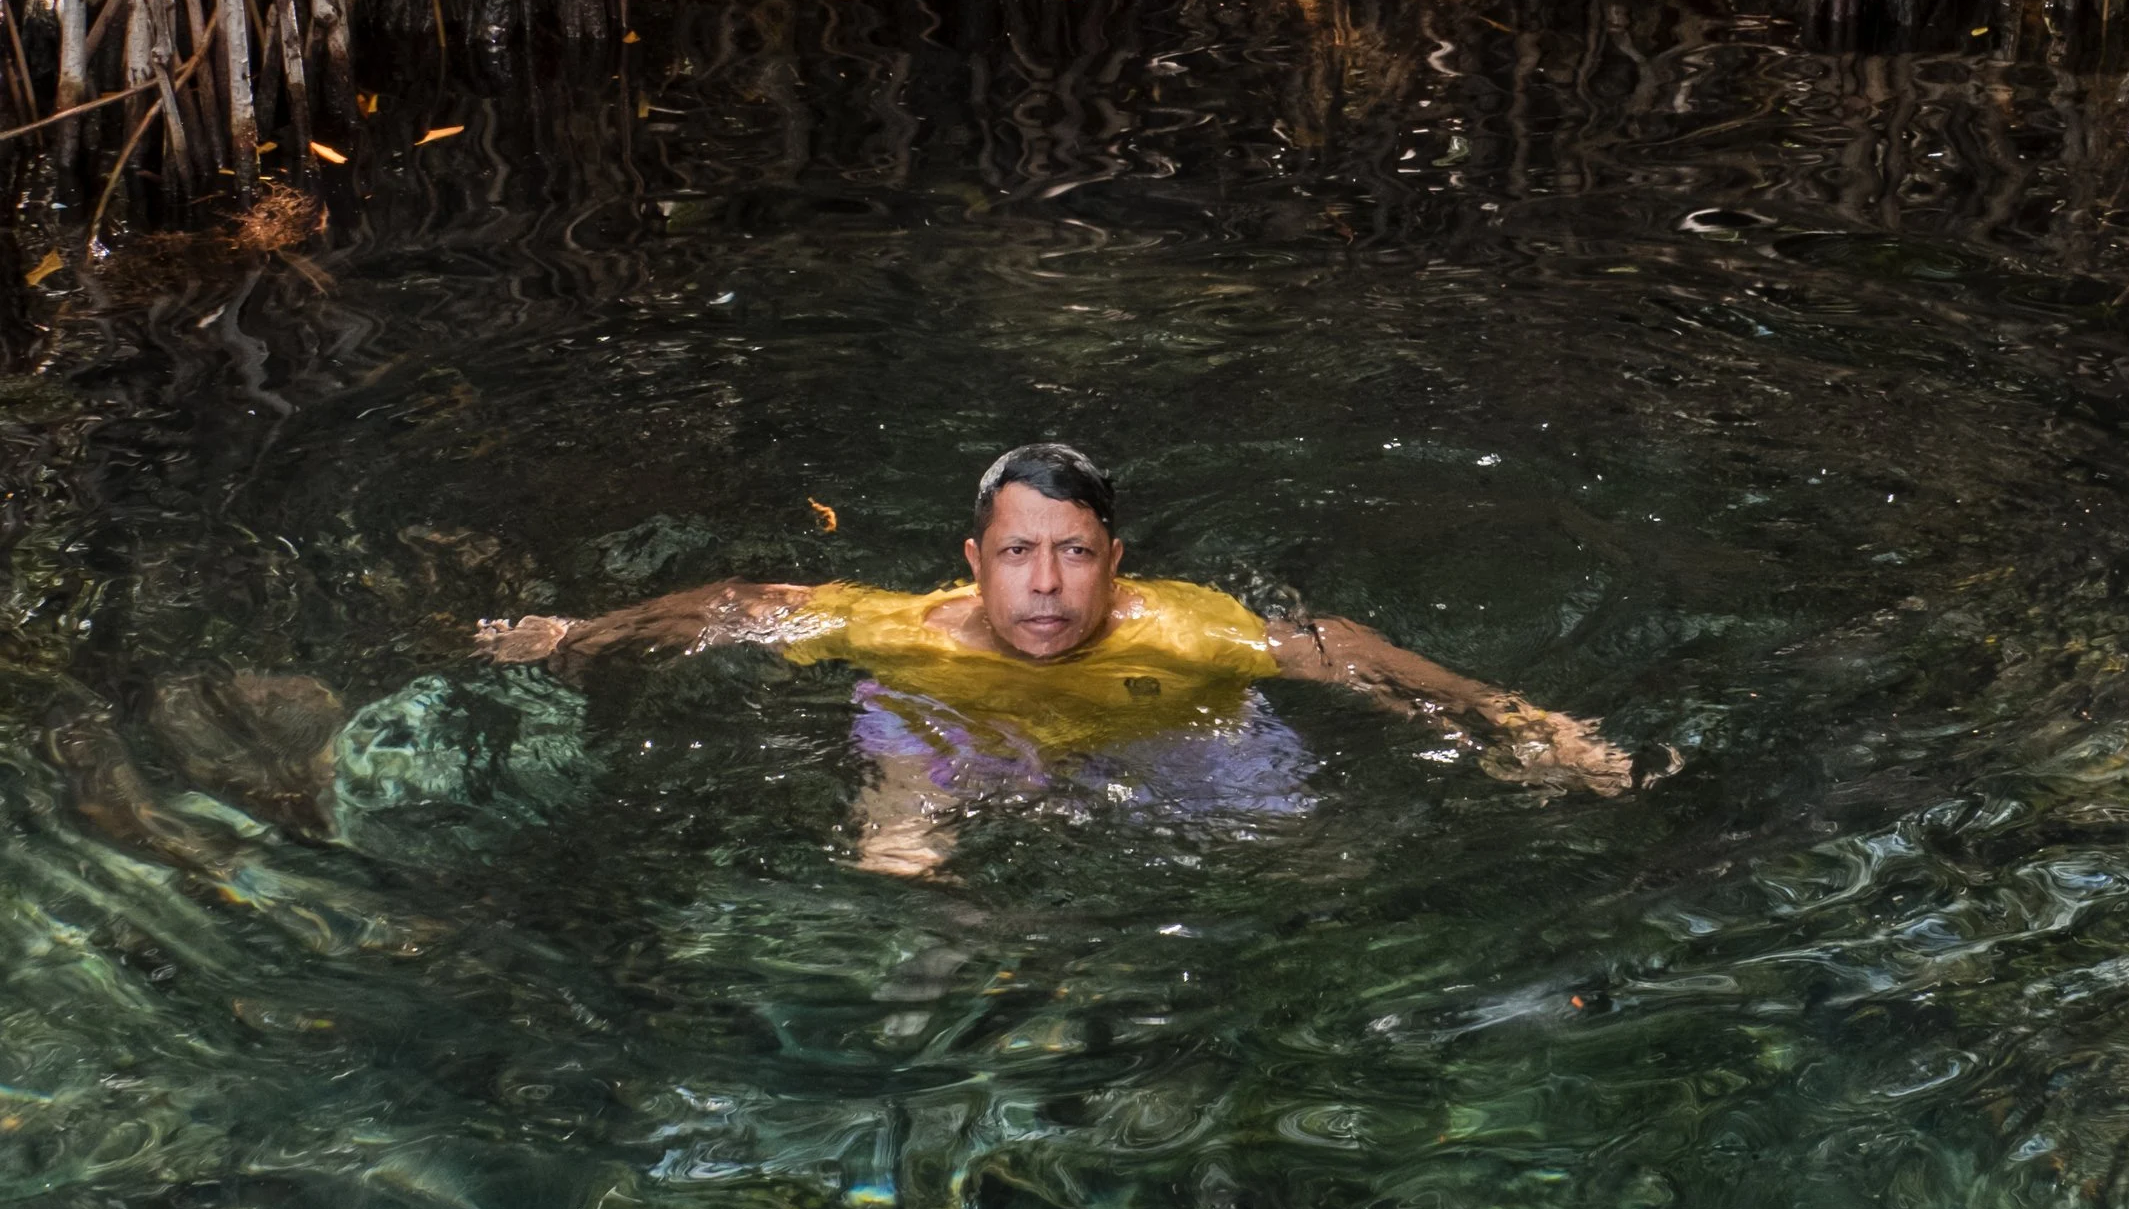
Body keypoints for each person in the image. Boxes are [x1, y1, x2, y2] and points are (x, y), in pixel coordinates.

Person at [476, 439, 1643, 873]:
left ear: (1114, 561)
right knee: (895, 844)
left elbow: (1342, 651)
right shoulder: (904, 625)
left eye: (1074, 553)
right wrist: (579, 635)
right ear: (973, 560)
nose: (1045, 585)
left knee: (1314, 866)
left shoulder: (1186, 631)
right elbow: (739, 605)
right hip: (966, 729)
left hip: (1164, 729)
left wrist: (1521, 723)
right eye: (1018, 553)